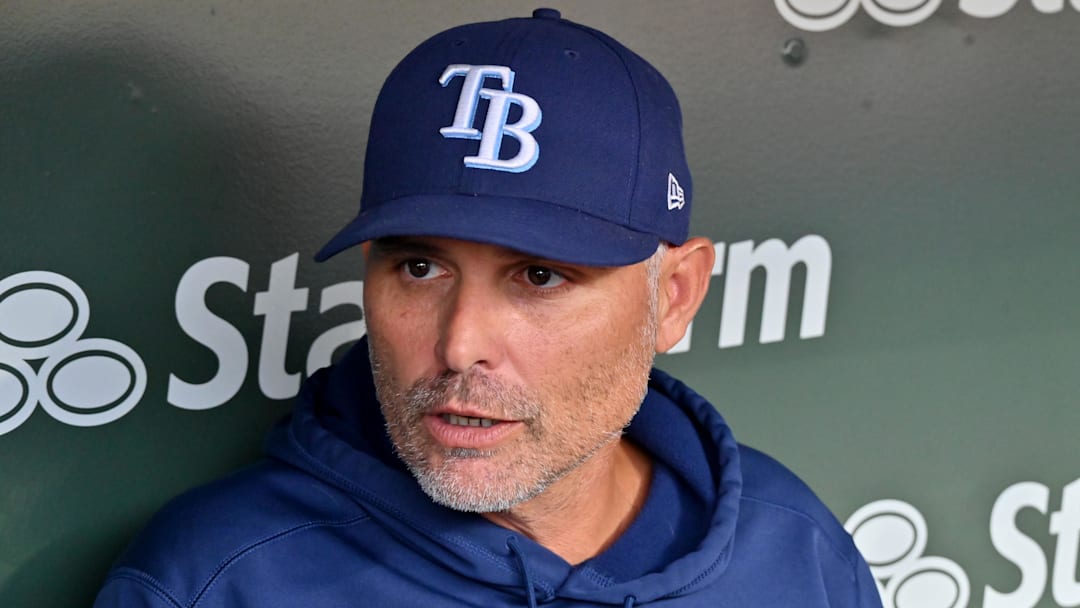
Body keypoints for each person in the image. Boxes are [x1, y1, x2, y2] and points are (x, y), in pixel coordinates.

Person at [95, 9, 881, 607]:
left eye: (540, 276)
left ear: (673, 297)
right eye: (420, 265)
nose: (460, 343)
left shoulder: (793, 549)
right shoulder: (217, 578)